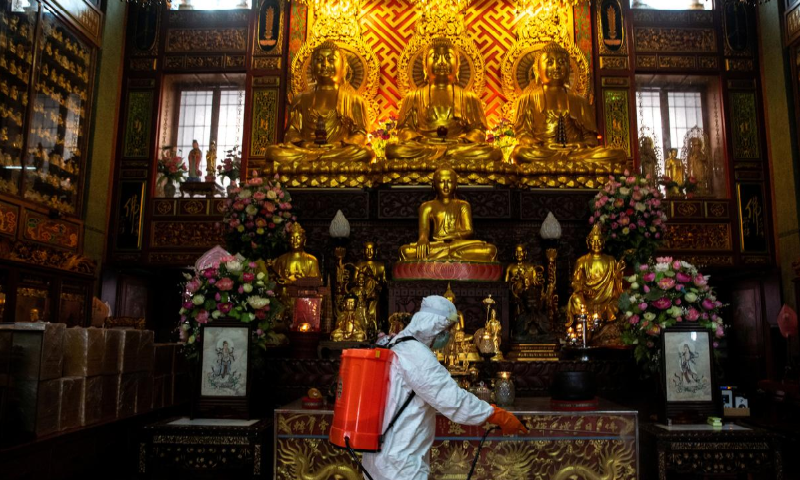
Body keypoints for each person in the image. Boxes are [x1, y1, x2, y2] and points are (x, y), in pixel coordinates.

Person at [361, 295, 527, 480]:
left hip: (380, 456)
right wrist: (495, 414)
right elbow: (452, 400)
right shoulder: (417, 355)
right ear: (435, 327)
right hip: (399, 463)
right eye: (447, 330)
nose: (448, 336)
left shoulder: (396, 344)